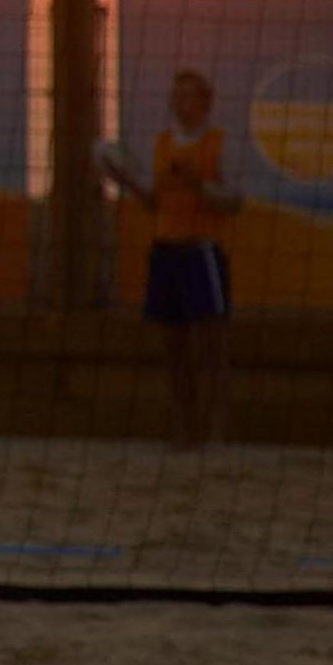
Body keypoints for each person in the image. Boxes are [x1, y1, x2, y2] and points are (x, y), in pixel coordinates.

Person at [105, 67, 239, 451]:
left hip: (202, 251)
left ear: (205, 103)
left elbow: (235, 202)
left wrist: (200, 185)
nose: (179, 104)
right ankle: (185, 429)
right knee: (174, 350)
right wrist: (126, 181)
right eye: (175, 97)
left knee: (213, 347)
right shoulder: (162, 145)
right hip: (166, 251)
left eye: (188, 97)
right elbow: (153, 202)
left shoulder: (218, 144)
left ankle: (217, 431)